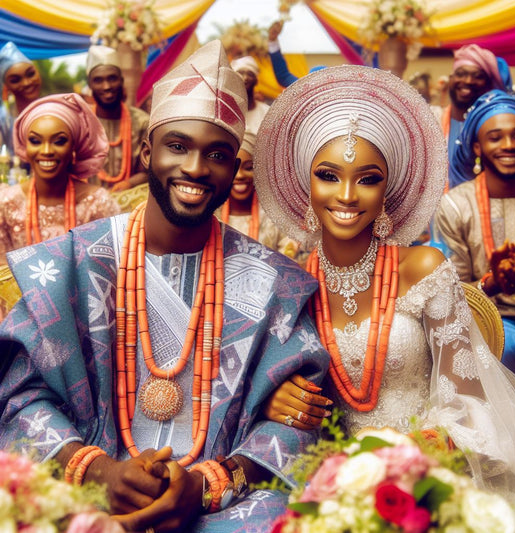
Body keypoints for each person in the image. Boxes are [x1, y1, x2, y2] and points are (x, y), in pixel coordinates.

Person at [0, 40, 329, 532]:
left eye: (218, 154)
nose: (196, 168)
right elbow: (18, 395)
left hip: (220, 508)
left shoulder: (273, 284)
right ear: (146, 150)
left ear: (237, 165)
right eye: (178, 146)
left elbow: (297, 423)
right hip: (84, 496)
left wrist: (209, 484)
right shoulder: (73, 262)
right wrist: (96, 471)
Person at [253, 65, 515, 528]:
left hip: (427, 480)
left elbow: (473, 405)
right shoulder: (287, 285)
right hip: (325, 485)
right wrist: (269, 400)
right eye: (328, 175)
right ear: (306, 185)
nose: (346, 195)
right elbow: (255, 396)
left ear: (388, 191)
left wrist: (403, 462)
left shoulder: (422, 269)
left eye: (367, 178)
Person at [435, 90, 515, 387]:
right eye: (495, 137)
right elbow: (448, 296)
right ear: (477, 146)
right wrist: (493, 283)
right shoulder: (455, 206)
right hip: (486, 322)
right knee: (511, 347)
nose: (508, 145)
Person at [0, 93, 120, 266]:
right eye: (35, 141)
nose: (47, 150)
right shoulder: (6, 203)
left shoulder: (98, 205)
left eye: (59, 141)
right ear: (25, 147)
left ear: (74, 147)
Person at [436, 44, 512, 189]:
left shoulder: (495, 129)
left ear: (488, 85)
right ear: (451, 78)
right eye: (461, 74)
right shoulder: (432, 120)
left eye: (478, 76)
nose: (468, 81)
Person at [216, 129, 300, 260]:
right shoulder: (212, 214)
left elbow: (289, 265)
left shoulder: (277, 219)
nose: (240, 175)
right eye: (234, 168)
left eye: (249, 168)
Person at [86, 45, 149, 192]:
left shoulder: (142, 122)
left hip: (129, 200)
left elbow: (150, 170)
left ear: (121, 81)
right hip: (86, 202)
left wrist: (129, 184)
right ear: (90, 85)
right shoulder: (80, 120)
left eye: (112, 78)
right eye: (98, 80)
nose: (106, 86)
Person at [0, 41, 42, 156]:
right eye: (15, 80)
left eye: (30, 74)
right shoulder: (4, 119)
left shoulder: (58, 111)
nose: (27, 83)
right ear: (6, 86)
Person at [267, 21, 325, 88]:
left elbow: (283, 76)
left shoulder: (303, 88)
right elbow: (283, 76)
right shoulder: (303, 88)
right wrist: (272, 41)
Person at [230, 55, 270, 136]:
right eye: (240, 73)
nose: (245, 78)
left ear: (256, 80)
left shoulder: (266, 113)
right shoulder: (226, 111)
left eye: (250, 74)